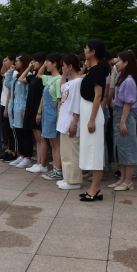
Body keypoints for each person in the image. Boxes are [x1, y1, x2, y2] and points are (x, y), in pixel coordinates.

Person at [78, 39, 110, 201]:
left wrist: (91, 119)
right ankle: (94, 189)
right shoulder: (93, 69)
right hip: (87, 111)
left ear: (93, 52)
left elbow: (98, 96)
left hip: (93, 112)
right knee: (89, 150)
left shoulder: (97, 70)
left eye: (87, 48)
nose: (84, 50)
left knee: (95, 152)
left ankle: (96, 189)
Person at [108, 51, 137, 191]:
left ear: (126, 63)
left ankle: (128, 181)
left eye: (120, 61)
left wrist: (122, 122)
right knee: (121, 148)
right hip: (119, 113)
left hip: (124, 115)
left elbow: (128, 103)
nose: (116, 63)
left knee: (128, 148)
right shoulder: (121, 76)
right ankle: (122, 179)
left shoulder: (129, 81)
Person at [55, 54, 83, 189]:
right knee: (65, 153)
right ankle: (67, 178)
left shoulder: (78, 82)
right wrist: (64, 74)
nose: (63, 68)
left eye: (64, 66)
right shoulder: (70, 82)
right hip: (64, 121)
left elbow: (77, 104)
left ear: (70, 66)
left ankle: (74, 181)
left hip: (71, 122)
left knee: (72, 153)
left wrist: (74, 124)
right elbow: (62, 88)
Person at [34, 54, 63, 175]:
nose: (46, 65)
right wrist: (39, 112)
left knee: (56, 144)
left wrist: (58, 119)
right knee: (52, 143)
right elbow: (39, 74)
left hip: (53, 113)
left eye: (48, 62)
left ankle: (58, 170)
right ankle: (55, 169)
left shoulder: (59, 79)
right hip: (47, 113)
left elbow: (59, 101)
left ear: (55, 63)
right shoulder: (49, 78)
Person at [19, 53, 46, 172]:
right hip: (30, 107)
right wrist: (29, 67)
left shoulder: (44, 76)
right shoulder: (34, 75)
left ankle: (42, 164)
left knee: (41, 138)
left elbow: (43, 95)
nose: (33, 63)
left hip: (37, 108)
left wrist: (39, 112)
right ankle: (38, 162)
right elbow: (21, 78)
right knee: (37, 137)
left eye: (35, 61)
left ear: (42, 62)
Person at [5, 53, 32, 168]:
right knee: (18, 132)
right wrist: (10, 71)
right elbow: (7, 83)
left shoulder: (28, 75)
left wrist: (26, 108)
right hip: (14, 107)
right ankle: (21, 155)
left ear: (23, 62)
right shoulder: (16, 75)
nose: (15, 63)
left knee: (25, 133)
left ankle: (28, 157)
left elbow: (28, 93)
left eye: (17, 61)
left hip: (22, 107)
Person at [0, 54, 18, 162]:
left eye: (6, 60)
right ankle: (10, 150)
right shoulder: (8, 72)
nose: (4, 62)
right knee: (7, 129)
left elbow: (10, 92)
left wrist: (6, 108)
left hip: (9, 104)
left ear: (12, 61)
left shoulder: (14, 74)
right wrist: (4, 65)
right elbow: (2, 73)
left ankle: (14, 152)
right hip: (4, 104)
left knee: (11, 130)